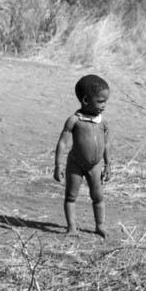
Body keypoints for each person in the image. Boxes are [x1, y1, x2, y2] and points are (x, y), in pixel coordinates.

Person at [53, 74, 112, 238]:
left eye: (106, 101)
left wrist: (108, 165)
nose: (104, 105)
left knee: (98, 196)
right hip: (75, 164)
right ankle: (71, 227)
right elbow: (63, 144)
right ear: (86, 100)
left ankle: (100, 226)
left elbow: (106, 143)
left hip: (95, 165)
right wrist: (58, 166)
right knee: (71, 196)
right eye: (101, 101)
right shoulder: (74, 121)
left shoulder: (102, 122)